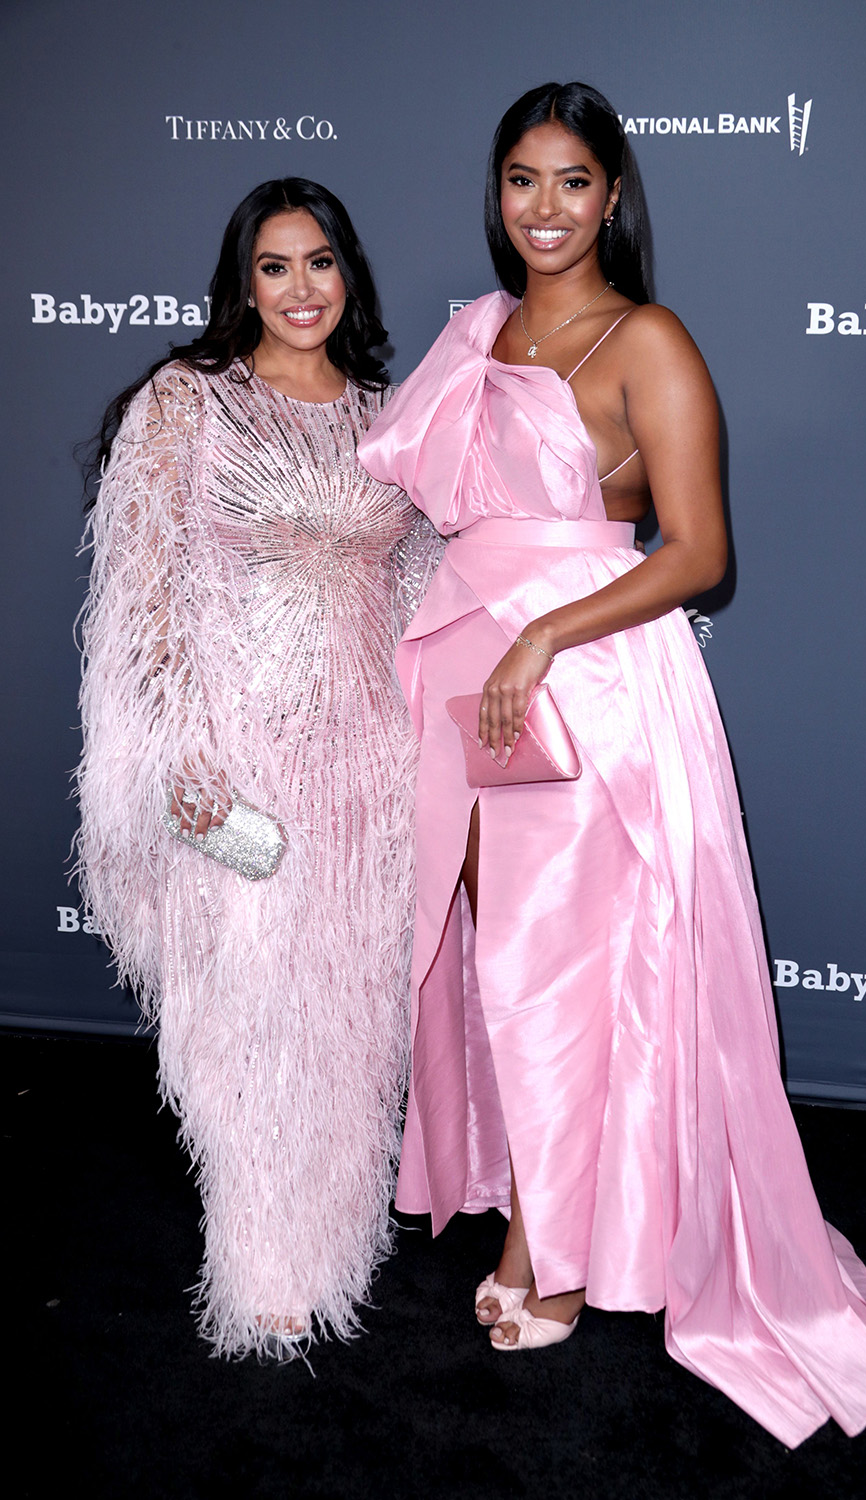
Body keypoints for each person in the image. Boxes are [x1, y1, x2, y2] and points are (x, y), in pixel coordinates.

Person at [358, 84, 866, 1445]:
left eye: (569, 181)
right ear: (496, 197)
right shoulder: (478, 333)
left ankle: (549, 1253)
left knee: (561, 969)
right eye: (518, 180)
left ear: (613, 196)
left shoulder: (646, 339)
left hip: (587, 683)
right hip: (461, 667)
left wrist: (541, 635)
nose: (541, 208)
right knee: (490, 957)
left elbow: (696, 553)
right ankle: (532, 1192)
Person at [76, 178, 439, 1359]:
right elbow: (144, 591)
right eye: (274, 266)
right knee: (247, 1017)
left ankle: (333, 1246)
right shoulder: (187, 408)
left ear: (349, 276)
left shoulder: (394, 420)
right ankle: (260, 1260)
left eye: (320, 262)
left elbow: (429, 591)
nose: (300, 289)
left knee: (351, 1015)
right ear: (243, 281)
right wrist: (177, 749)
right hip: (239, 755)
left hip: (371, 762)